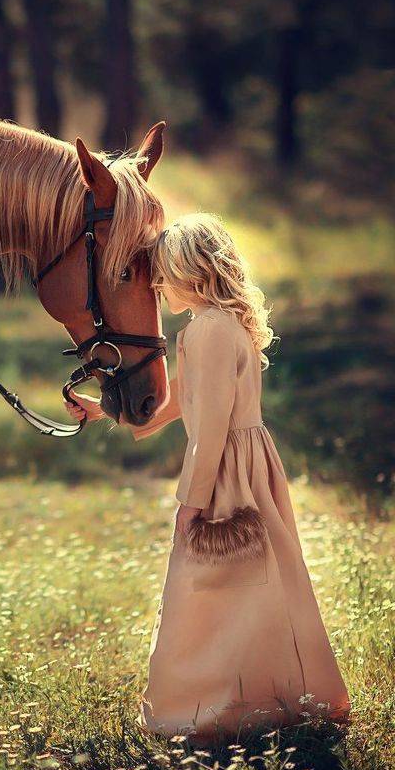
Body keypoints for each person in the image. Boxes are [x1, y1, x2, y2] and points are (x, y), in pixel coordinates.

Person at [67, 213, 349, 739]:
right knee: (254, 585)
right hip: (243, 463)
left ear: (192, 272)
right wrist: (108, 411)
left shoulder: (211, 330)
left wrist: (191, 503)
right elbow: (185, 400)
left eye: (163, 273)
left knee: (211, 588)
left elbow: (211, 427)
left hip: (228, 472)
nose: (155, 285)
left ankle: (215, 709)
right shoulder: (216, 325)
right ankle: (266, 698)